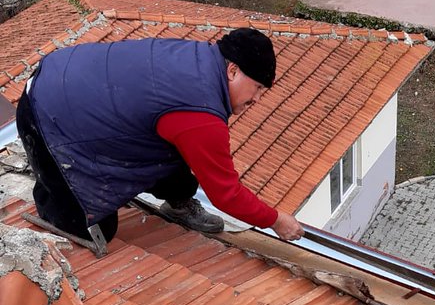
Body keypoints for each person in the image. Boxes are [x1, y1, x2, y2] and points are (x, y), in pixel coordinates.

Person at [15, 26, 304, 245]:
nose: (256, 100)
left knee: (172, 140)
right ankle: (51, 190)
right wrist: (276, 220)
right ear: (232, 70)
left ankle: (177, 200)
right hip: (44, 116)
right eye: (257, 89)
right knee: (94, 232)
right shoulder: (200, 112)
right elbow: (225, 194)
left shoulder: (198, 57)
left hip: (62, 75)